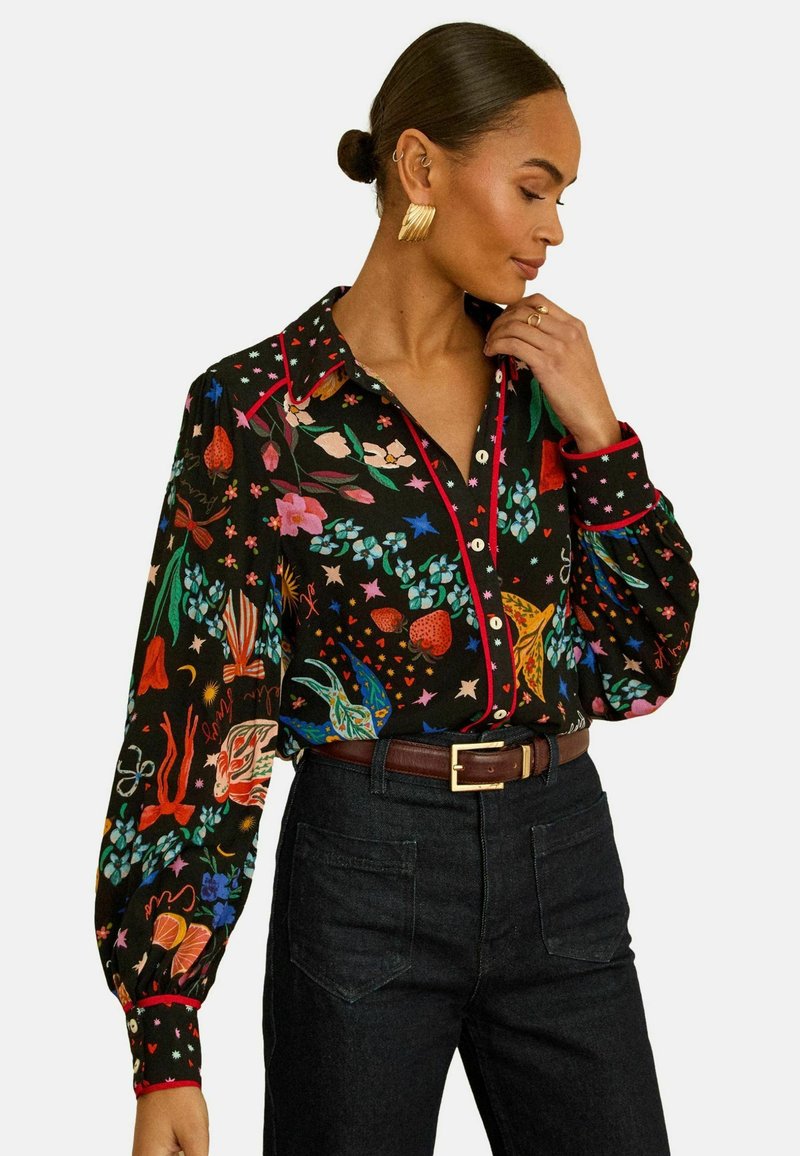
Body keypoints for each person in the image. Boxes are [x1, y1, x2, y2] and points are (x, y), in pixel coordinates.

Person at [94, 20, 700, 1156]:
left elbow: (638, 667)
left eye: (561, 198)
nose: (554, 229)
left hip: (562, 855)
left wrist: (600, 435)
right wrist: (165, 1032)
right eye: (532, 188)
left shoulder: (543, 386)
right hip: (362, 872)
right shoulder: (259, 409)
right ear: (420, 168)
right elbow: (197, 715)